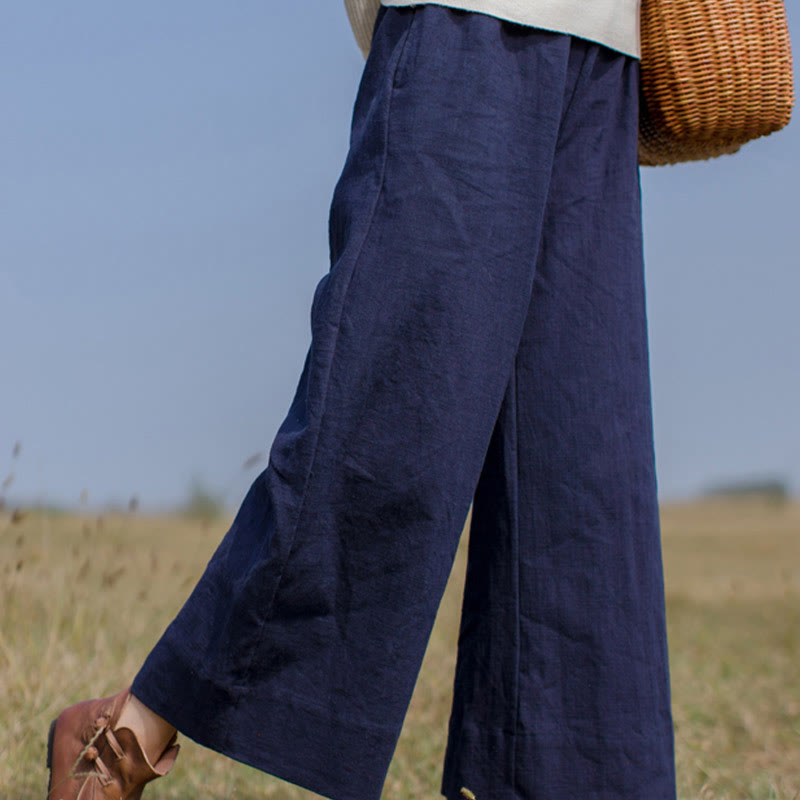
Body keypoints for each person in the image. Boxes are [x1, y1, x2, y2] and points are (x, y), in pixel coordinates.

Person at [46, 2, 677, 799]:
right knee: (396, 412)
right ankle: (123, 738)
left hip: (609, 44)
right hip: (473, 16)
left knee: (582, 481)